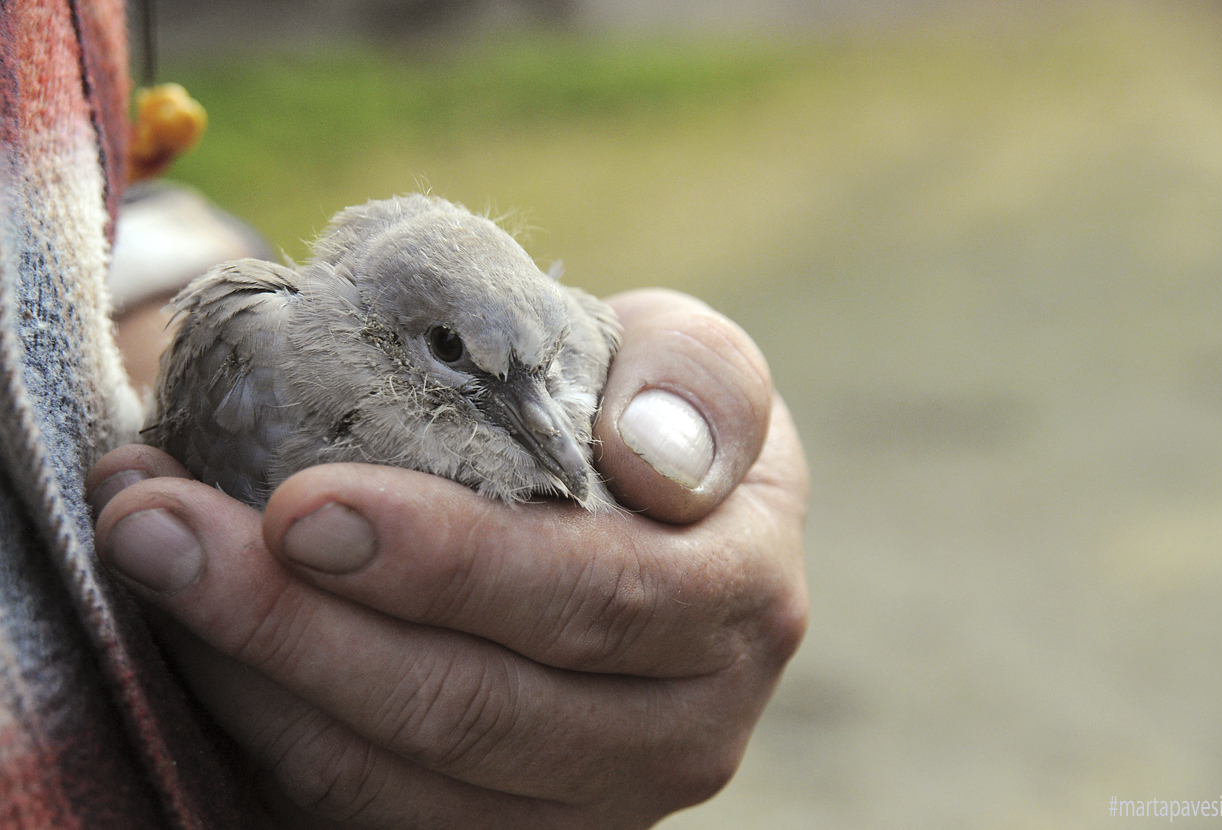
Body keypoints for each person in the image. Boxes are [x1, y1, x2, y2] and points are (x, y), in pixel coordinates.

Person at [1, 1, 809, 827]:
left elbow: (68, 191)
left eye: (538, 370)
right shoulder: (275, 356)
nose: (544, 427)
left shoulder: (566, 352)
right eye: (452, 355)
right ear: (394, 332)